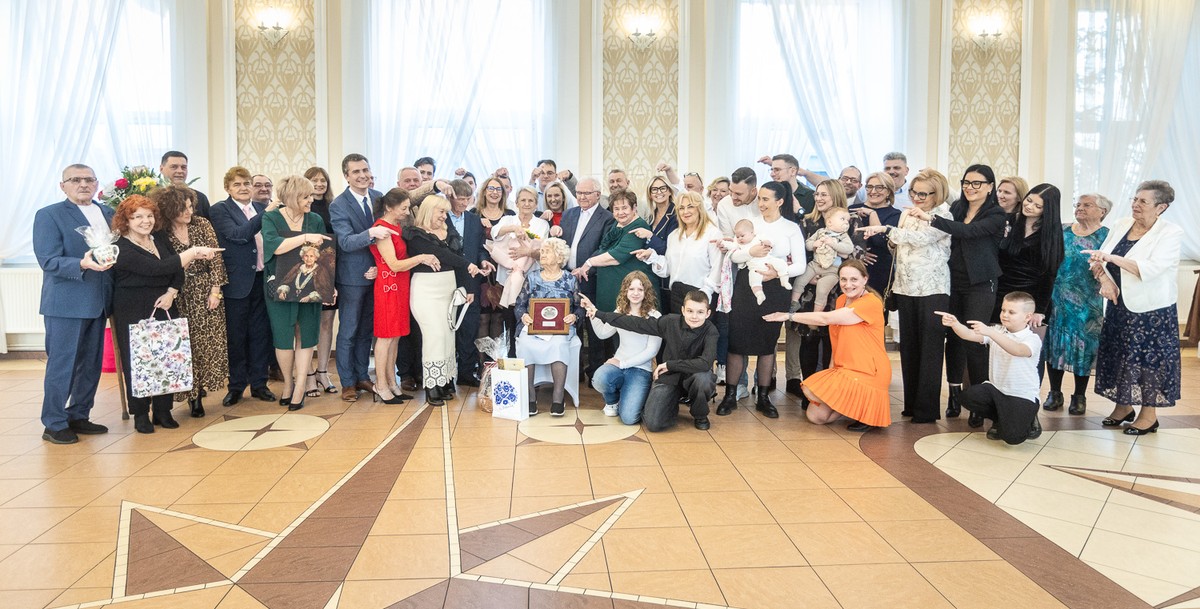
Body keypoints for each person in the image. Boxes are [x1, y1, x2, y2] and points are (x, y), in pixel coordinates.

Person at [111, 195, 221, 433]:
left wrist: (172, 292)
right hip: (133, 308)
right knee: (138, 361)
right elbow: (157, 268)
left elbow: (175, 270)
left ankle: (163, 411)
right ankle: (140, 413)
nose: (145, 221)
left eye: (149, 216)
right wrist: (192, 253)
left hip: (165, 303)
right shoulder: (121, 248)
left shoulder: (158, 238)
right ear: (126, 220)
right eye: (137, 216)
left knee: (168, 358)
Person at [911, 164, 1007, 418]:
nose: (970, 187)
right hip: (950, 282)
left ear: (989, 187)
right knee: (953, 338)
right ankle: (954, 396)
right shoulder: (957, 208)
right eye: (966, 182)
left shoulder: (996, 214)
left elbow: (969, 232)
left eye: (977, 183)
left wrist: (931, 219)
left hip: (980, 284)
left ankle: (979, 402)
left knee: (974, 340)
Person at [1087, 180, 1182, 435]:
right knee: (1119, 355)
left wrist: (1111, 258)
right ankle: (1123, 407)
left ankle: (1149, 415)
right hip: (1119, 305)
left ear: (1161, 207)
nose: (1135, 205)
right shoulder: (1121, 225)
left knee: (1147, 361)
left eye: (1143, 201)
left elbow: (1150, 269)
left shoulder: (1170, 233)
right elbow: (1098, 258)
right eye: (1135, 199)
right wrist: (1105, 280)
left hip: (1152, 310)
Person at [858, 169, 953, 423]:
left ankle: (926, 409)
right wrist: (889, 237)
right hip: (904, 287)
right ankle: (911, 404)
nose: (917, 198)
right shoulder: (906, 215)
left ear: (938, 193)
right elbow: (898, 246)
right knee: (909, 349)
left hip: (932, 289)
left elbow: (921, 239)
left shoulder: (943, 214)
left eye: (923, 193)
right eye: (914, 192)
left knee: (930, 350)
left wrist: (885, 230)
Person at [34, 164, 116, 444]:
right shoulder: (49, 215)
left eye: (89, 179)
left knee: (91, 364)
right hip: (66, 302)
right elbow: (48, 260)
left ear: (96, 184)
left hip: (100, 300)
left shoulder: (108, 213)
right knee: (63, 364)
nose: (83, 184)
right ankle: (54, 423)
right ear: (63, 185)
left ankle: (79, 414)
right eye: (76, 180)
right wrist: (81, 263)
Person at [716, 181, 805, 420]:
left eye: (766, 199)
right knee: (737, 339)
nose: (761, 203)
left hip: (776, 289)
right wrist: (750, 253)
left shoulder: (791, 228)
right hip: (746, 287)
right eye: (760, 199)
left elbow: (801, 264)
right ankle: (730, 394)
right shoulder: (750, 224)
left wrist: (778, 272)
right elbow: (733, 254)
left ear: (780, 201)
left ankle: (764, 397)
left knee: (767, 343)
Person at [766, 260, 890, 431]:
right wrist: (833, 368)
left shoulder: (871, 303)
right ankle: (855, 406)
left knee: (810, 390)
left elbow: (826, 319)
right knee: (816, 416)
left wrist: (789, 316)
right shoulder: (841, 300)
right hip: (846, 367)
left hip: (868, 370)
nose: (848, 284)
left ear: (865, 280)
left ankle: (864, 409)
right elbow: (837, 336)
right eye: (843, 279)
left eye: (854, 279)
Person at [584, 289, 718, 431]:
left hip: (694, 376)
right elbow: (636, 323)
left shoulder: (711, 331)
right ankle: (671, 404)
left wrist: (670, 365)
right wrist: (600, 314)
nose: (694, 316)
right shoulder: (670, 321)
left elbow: (705, 363)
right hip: (670, 378)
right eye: (690, 311)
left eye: (700, 312)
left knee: (703, 379)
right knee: (653, 423)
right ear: (683, 310)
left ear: (708, 313)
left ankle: (700, 414)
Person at [156, 185, 228, 418]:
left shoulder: (202, 224)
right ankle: (191, 395)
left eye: (190, 206)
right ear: (170, 209)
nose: (189, 212)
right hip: (179, 291)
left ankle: (201, 389)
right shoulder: (161, 232)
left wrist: (215, 291)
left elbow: (216, 259)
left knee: (207, 343)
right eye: (182, 208)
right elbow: (169, 265)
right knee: (185, 345)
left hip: (206, 290)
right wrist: (190, 257)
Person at [209, 166, 279, 406]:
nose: (243, 188)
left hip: (263, 279)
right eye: (237, 184)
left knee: (261, 335)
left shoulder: (260, 207)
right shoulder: (220, 210)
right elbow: (239, 234)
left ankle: (260, 384)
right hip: (237, 283)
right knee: (237, 337)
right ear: (228, 188)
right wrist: (266, 213)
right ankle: (237, 386)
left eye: (246, 183)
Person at [261, 175, 331, 411]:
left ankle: (300, 386)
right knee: (283, 337)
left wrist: (331, 285)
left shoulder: (316, 219)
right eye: (306, 196)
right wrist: (303, 238)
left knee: (307, 335)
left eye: (311, 195)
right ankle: (288, 383)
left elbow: (324, 257)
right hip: (279, 285)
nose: (311, 199)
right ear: (291, 197)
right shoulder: (270, 218)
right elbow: (275, 246)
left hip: (310, 286)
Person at [330, 154, 394, 402]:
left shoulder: (379, 197)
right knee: (348, 330)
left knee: (368, 329)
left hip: (379, 273)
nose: (362, 175)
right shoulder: (338, 205)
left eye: (365, 170)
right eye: (356, 172)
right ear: (346, 176)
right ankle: (347, 383)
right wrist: (371, 232)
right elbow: (345, 242)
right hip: (352, 276)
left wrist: (381, 266)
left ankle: (362, 376)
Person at [405, 196, 481, 406]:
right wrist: (468, 265)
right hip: (426, 289)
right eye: (441, 212)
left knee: (448, 335)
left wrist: (467, 286)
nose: (444, 216)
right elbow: (441, 254)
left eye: (446, 213)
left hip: (449, 287)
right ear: (429, 211)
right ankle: (431, 385)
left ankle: (445, 380)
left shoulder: (449, 230)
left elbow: (457, 257)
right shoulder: (415, 234)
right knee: (434, 335)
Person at [939, 292, 1044, 443]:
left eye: (1011, 312)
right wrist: (955, 324)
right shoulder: (997, 331)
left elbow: (1018, 350)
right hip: (997, 390)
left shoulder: (1032, 339)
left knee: (1013, 438)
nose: (1005, 315)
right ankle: (999, 419)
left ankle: (1028, 419)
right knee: (967, 396)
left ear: (1028, 317)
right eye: (1003, 310)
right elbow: (968, 334)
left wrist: (991, 333)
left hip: (1021, 395)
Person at [1042, 193, 1111, 415]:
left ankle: (1079, 396)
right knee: (1055, 345)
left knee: (1084, 348)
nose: (1080, 208)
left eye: (1087, 205)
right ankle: (1054, 393)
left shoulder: (1107, 236)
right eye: (1078, 204)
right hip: (1057, 298)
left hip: (1088, 302)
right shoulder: (1062, 230)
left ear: (1102, 211)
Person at [370, 188, 438, 403]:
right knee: (385, 336)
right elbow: (394, 264)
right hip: (389, 285)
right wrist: (421, 257)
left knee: (396, 336)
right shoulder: (382, 229)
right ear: (389, 207)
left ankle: (392, 382)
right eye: (404, 208)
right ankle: (380, 384)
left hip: (400, 285)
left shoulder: (396, 226)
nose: (408, 212)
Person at [789, 179, 851, 403]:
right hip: (809, 291)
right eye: (817, 194)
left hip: (837, 290)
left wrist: (835, 275)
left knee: (832, 343)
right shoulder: (807, 222)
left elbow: (857, 255)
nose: (819, 198)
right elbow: (799, 253)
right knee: (809, 341)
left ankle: (830, 392)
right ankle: (810, 392)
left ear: (836, 196)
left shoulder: (849, 221)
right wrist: (811, 275)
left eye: (825, 194)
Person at [514, 238, 583, 416]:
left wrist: (574, 316)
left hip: (561, 329)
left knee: (559, 344)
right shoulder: (532, 277)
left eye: (547, 251)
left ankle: (558, 398)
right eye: (542, 251)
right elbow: (519, 305)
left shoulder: (570, 279)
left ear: (559, 257)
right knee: (525, 343)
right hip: (534, 327)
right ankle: (530, 398)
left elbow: (580, 307)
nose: (542, 254)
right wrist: (524, 315)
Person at [555, 178, 615, 380]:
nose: (581, 197)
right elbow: (562, 243)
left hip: (592, 280)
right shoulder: (569, 214)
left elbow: (604, 248)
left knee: (594, 328)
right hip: (567, 280)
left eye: (586, 193)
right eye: (579, 193)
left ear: (598, 194)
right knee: (570, 326)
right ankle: (575, 373)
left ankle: (596, 373)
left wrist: (587, 267)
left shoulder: (607, 218)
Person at [589, 272, 663, 424]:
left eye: (640, 290)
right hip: (619, 363)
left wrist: (622, 364)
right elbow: (603, 333)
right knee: (599, 378)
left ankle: (635, 395)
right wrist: (593, 313)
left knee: (629, 418)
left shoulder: (655, 316)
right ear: (625, 291)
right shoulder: (620, 311)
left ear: (646, 292)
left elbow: (651, 351)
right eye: (631, 289)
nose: (635, 293)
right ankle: (613, 402)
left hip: (640, 370)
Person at [445, 179, 495, 385]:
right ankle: (446, 374)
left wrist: (483, 259)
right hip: (446, 278)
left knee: (469, 326)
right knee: (446, 328)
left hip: (471, 281)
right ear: (450, 197)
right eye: (460, 199)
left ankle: (466, 372)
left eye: (468, 199)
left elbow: (481, 247)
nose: (464, 203)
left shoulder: (474, 220)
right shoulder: (440, 217)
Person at [573, 190, 655, 314]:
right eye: (616, 209)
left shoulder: (639, 227)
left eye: (624, 208)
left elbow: (616, 256)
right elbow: (603, 249)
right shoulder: (617, 223)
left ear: (634, 208)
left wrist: (589, 262)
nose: (620, 212)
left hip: (629, 291)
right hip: (610, 288)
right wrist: (583, 267)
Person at [641, 191, 723, 311]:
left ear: (699, 208)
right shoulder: (673, 236)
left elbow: (718, 268)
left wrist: (706, 293)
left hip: (701, 295)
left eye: (690, 206)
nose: (685, 212)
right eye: (681, 208)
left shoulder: (712, 233)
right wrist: (653, 257)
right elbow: (668, 269)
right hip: (676, 295)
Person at [302, 166, 339, 397]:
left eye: (323, 180)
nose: (319, 184)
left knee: (327, 321)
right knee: (305, 324)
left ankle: (323, 371)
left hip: (330, 270)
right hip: (305, 269)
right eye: (314, 180)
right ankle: (307, 375)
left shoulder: (333, 207)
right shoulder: (299, 209)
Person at [474, 176, 515, 351]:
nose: (494, 192)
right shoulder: (473, 214)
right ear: (484, 191)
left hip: (504, 269)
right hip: (481, 268)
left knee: (499, 317)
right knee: (483, 318)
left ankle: (496, 362)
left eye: (498, 189)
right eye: (491, 188)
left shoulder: (510, 216)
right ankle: (482, 364)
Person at [491, 186, 549, 307]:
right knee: (508, 318)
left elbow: (544, 251)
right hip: (506, 277)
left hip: (532, 278)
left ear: (536, 204)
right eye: (523, 200)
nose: (526, 204)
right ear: (516, 203)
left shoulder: (542, 224)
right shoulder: (507, 219)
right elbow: (494, 232)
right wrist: (514, 228)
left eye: (531, 200)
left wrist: (527, 252)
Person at [790, 208, 853, 319]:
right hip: (815, 265)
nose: (846, 222)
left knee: (822, 290)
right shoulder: (820, 232)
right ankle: (794, 302)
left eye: (847, 220)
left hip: (833, 269)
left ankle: (816, 315)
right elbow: (808, 245)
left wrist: (833, 245)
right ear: (829, 222)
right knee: (800, 280)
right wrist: (815, 243)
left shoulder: (843, 236)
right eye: (842, 219)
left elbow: (849, 249)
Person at [849, 172, 902, 294]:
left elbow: (881, 241)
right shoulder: (852, 209)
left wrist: (872, 214)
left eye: (879, 187)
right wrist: (858, 253)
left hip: (879, 271)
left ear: (889, 191)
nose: (873, 191)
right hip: (852, 269)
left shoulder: (895, 214)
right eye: (869, 187)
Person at [729, 218, 794, 304]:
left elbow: (769, 241)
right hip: (754, 267)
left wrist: (767, 242)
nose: (740, 238)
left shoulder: (758, 238)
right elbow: (733, 256)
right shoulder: (739, 244)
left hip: (768, 261)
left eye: (742, 236)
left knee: (781, 263)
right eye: (737, 237)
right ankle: (759, 294)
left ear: (752, 233)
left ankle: (784, 280)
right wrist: (750, 252)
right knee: (753, 279)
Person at [160, 151, 211, 218]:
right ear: (161, 169)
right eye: (174, 167)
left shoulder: (200, 198)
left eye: (183, 167)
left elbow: (209, 226)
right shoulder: (153, 198)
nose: (180, 171)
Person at [716, 167, 762, 238]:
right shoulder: (723, 205)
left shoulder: (766, 199)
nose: (733, 197)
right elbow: (728, 238)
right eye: (730, 191)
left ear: (753, 191)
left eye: (738, 194)